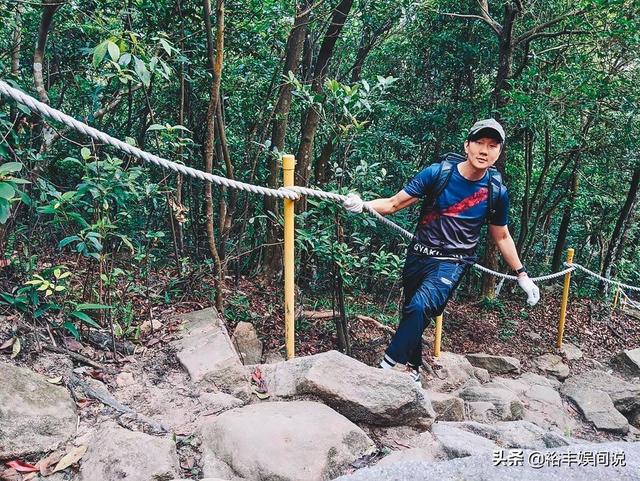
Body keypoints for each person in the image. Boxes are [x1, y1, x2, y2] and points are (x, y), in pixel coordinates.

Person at [343, 119, 540, 386]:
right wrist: (363, 204)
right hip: (419, 255)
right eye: (479, 143)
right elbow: (392, 204)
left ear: (499, 152)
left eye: (492, 146)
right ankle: (413, 370)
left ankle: (384, 369)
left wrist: (522, 274)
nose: (484, 150)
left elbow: (502, 235)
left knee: (420, 307)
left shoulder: (496, 192)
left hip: (453, 262)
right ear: (467, 145)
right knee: (412, 313)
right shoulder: (438, 174)